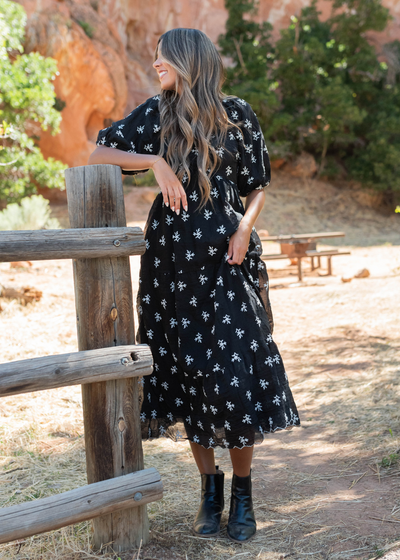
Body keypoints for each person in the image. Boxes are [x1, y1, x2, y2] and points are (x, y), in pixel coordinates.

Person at [89, 27, 300, 543]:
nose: (155, 63)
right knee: (185, 377)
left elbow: (258, 187)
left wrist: (246, 228)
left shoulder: (237, 114)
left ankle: (243, 493)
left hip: (226, 265)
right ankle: (210, 490)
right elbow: (99, 154)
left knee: (233, 377)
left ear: (187, 59)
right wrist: (154, 161)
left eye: (163, 57)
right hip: (171, 271)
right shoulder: (156, 113)